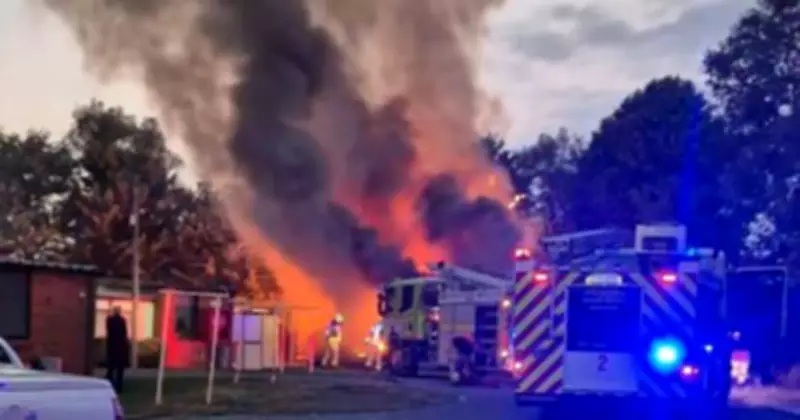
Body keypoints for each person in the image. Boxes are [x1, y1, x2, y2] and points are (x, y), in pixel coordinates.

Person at [105, 306, 130, 393]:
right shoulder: (122, 320)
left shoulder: (110, 320)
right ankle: (119, 388)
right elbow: (124, 333)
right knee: (120, 370)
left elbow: (108, 330)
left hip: (112, 347)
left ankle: (108, 386)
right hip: (120, 348)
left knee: (111, 369)